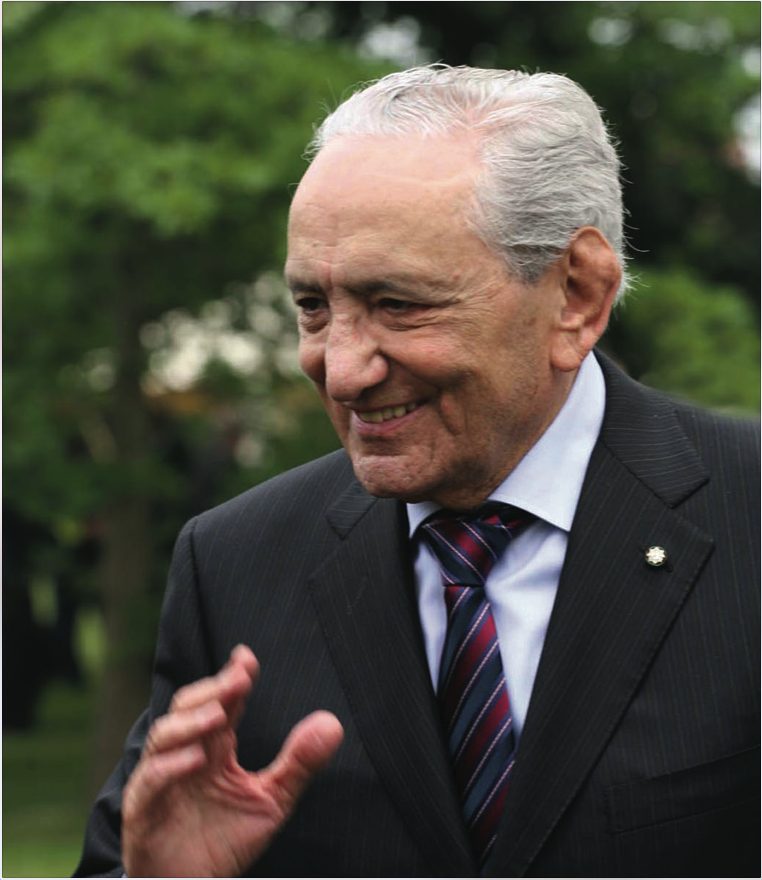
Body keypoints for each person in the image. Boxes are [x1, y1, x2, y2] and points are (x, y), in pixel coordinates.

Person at [74, 65, 759, 878]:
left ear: (577, 294)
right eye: (313, 307)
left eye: (398, 304)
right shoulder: (234, 563)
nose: (341, 371)